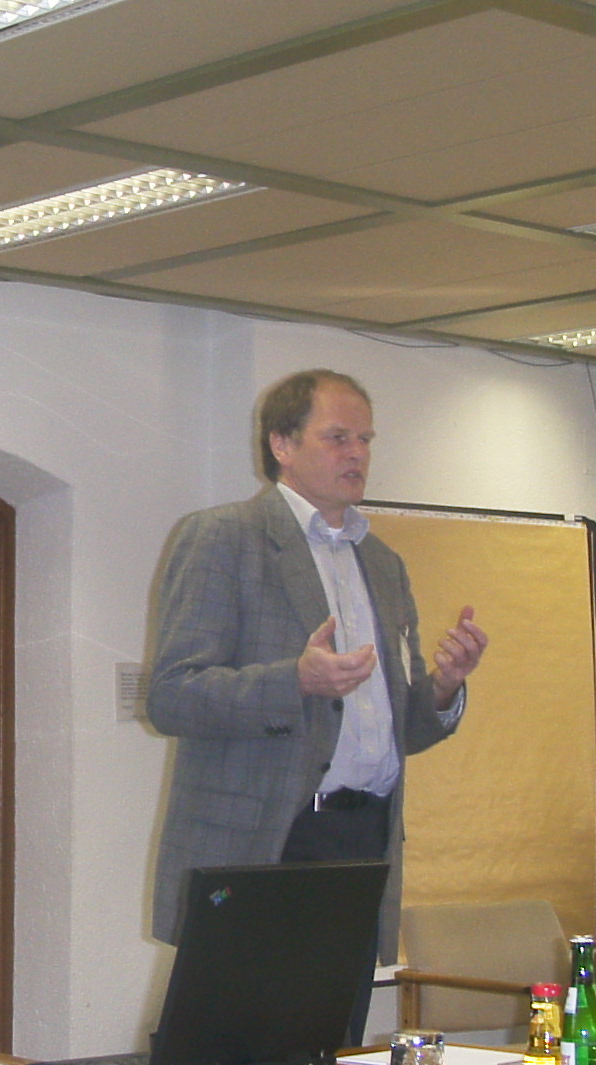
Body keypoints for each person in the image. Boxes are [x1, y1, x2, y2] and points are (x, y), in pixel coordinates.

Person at [147, 369, 487, 959]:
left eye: (365, 440)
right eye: (338, 438)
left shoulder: (382, 562)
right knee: (249, 1019)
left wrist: (443, 687)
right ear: (282, 444)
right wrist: (295, 681)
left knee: (340, 1018)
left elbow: (401, 729)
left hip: (366, 836)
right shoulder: (224, 538)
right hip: (266, 839)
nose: (357, 453)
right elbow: (172, 696)